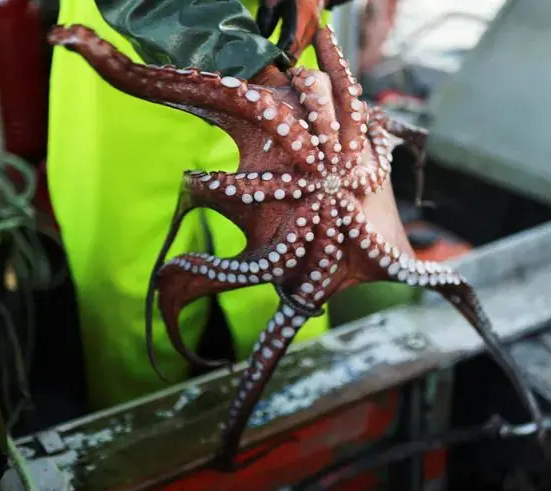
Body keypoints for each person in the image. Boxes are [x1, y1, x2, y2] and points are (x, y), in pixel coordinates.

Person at [47, 0, 337, 410]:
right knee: (132, 309)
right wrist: (247, 67)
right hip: (124, 63)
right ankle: (143, 439)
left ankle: (302, 432)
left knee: (291, 293)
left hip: (278, 52)